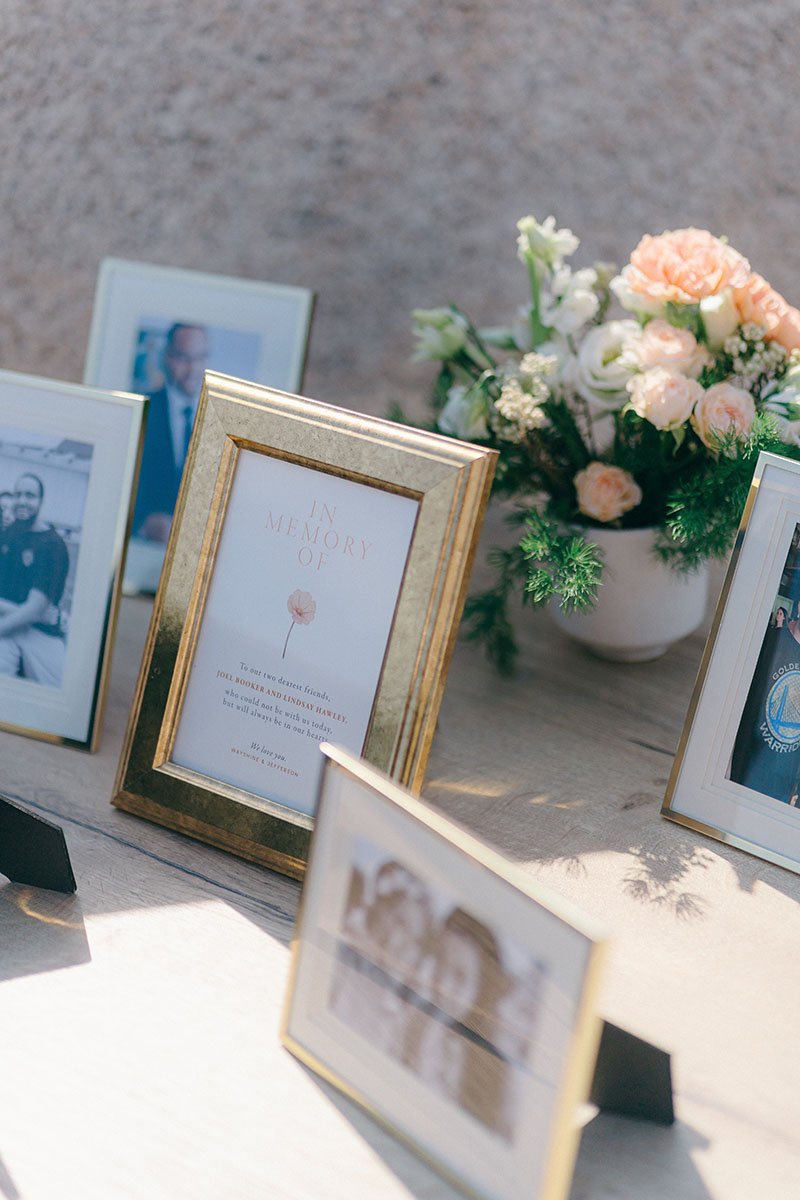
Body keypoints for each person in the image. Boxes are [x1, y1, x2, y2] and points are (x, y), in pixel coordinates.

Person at [132, 323, 210, 544]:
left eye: (200, 358)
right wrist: (142, 523)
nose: (193, 369)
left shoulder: (223, 417)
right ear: (166, 357)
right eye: (184, 358)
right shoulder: (142, 409)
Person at [0, 473, 69, 687]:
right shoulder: (10, 535)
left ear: (41, 501)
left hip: (40, 632)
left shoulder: (52, 546)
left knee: (55, 692)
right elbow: (37, 612)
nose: (22, 501)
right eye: (18, 494)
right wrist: (39, 614)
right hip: (10, 625)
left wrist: (37, 614)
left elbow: (34, 609)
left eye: (29, 496)